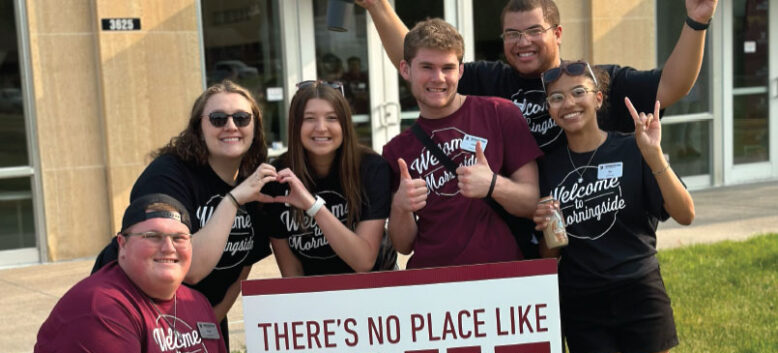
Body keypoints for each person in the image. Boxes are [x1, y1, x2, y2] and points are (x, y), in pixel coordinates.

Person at [533, 61, 694, 353]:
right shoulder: (547, 169)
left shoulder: (633, 148)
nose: (567, 103)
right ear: (550, 109)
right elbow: (548, 257)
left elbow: (685, 213)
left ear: (598, 98)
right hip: (586, 306)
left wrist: (654, 156)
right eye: (556, 98)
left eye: (577, 93)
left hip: (641, 297)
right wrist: (548, 229)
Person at [9, 194, 235, 353]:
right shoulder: (97, 307)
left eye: (179, 238)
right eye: (153, 236)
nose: (169, 247)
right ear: (122, 244)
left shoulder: (197, 303)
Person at [356, 0, 718, 150]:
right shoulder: (490, 81)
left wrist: (696, 21)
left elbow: (671, 86)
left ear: (557, 33)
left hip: (586, 246)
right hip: (517, 247)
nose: (522, 42)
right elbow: (419, 58)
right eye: (512, 34)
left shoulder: (594, 82)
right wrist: (377, 5)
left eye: (533, 31)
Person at [92, 80, 278, 350]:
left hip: (202, 315)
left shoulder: (254, 180)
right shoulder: (168, 175)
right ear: (198, 129)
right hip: (132, 314)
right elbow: (187, 270)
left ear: (255, 126)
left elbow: (242, 268)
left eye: (241, 118)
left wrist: (208, 324)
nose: (231, 126)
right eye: (217, 119)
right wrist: (233, 200)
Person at [382, 18, 541, 269]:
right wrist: (401, 207)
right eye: (427, 67)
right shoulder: (396, 151)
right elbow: (404, 245)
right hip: (432, 285)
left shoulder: (500, 113)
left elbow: (533, 202)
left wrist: (493, 184)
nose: (438, 78)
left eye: (447, 67)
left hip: (503, 278)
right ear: (405, 69)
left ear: (461, 70)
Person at [265, 80, 394, 276]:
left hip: (373, 289)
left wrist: (313, 206)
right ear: (295, 124)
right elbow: (291, 273)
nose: (321, 128)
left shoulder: (372, 168)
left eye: (332, 118)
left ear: (345, 124)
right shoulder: (278, 178)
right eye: (309, 118)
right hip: (315, 295)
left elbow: (364, 261)